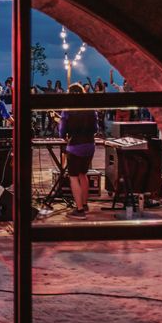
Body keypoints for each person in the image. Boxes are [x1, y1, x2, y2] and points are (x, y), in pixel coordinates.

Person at [59, 83, 98, 220]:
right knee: (83, 174)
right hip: (90, 145)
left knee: (73, 176)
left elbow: (62, 132)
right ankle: (85, 204)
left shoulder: (67, 109)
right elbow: (95, 128)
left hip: (75, 146)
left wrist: (64, 135)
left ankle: (80, 210)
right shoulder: (90, 108)